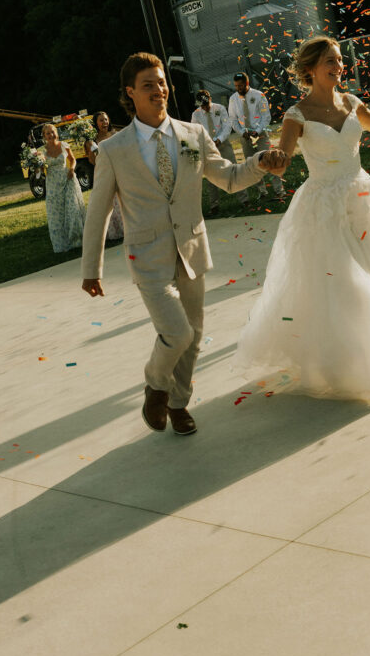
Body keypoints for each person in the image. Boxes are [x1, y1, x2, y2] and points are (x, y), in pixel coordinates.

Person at [81, 52, 286, 437]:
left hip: (192, 250)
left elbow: (228, 177)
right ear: (130, 92)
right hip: (148, 257)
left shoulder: (193, 135)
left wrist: (259, 162)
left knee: (192, 339)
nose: (159, 90)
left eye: (161, 82)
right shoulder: (113, 150)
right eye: (148, 85)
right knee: (178, 333)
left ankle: (178, 405)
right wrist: (91, 269)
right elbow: (99, 212)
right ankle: (155, 384)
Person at [234, 35, 370, 404]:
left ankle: (353, 359)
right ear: (310, 70)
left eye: (340, 59)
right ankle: (361, 369)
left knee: (369, 280)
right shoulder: (296, 115)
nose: (339, 65)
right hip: (323, 208)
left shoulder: (352, 102)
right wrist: (274, 161)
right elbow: (282, 159)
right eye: (330, 60)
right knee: (348, 287)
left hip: (362, 201)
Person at [228, 72, 285, 203]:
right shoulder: (233, 99)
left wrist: (257, 131)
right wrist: (242, 132)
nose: (238, 89)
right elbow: (233, 119)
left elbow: (266, 117)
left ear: (247, 84)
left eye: (241, 86)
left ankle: (279, 191)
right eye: (236, 86)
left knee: (270, 160)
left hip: (260, 135)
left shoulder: (259, 95)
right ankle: (262, 192)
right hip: (245, 137)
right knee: (252, 165)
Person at [191, 89, 248, 213]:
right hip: (208, 147)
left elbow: (227, 126)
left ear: (210, 99)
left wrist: (219, 139)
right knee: (210, 176)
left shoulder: (220, 108)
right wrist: (208, 143)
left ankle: (244, 199)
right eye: (202, 106)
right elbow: (195, 131)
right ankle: (214, 205)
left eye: (206, 105)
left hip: (223, 144)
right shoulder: (196, 114)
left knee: (233, 169)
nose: (205, 108)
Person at [41, 123, 86, 253]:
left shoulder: (64, 145)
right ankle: (62, 243)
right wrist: (38, 166)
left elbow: (73, 160)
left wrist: (72, 169)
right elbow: (42, 167)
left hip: (68, 179)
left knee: (73, 209)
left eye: (53, 132)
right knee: (58, 213)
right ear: (44, 136)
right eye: (48, 133)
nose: (51, 135)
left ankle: (78, 240)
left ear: (57, 133)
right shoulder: (42, 151)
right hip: (53, 184)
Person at [85, 111, 125, 240]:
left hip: (120, 170)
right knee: (111, 201)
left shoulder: (115, 134)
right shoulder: (93, 140)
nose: (105, 123)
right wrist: (90, 147)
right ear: (96, 124)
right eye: (101, 120)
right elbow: (92, 161)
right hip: (105, 173)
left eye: (106, 120)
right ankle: (116, 229)